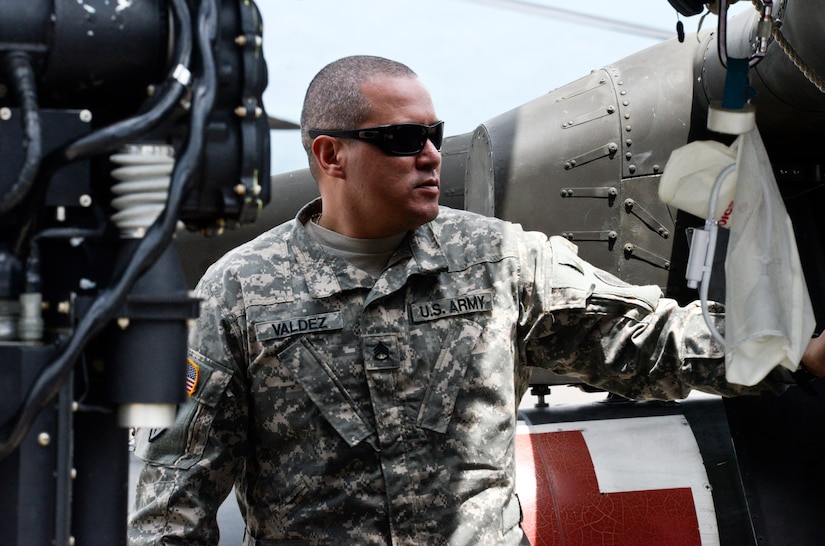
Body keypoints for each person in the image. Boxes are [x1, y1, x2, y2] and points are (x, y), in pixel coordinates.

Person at [129, 55, 825, 545]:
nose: (431, 155)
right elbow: (172, 494)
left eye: (432, 135)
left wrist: (798, 352)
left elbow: (645, 343)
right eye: (400, 140)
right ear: (330, 155)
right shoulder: (237, 291)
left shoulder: (498, 260)